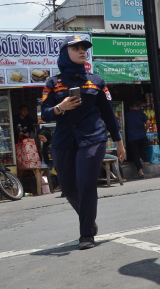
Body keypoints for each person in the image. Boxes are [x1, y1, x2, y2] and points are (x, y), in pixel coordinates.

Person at [40, 36, 125, 250]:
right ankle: (88, 219)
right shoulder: (52, 84)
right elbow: (45, 114)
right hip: (63, 141)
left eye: (84, 48)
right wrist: (61, 107)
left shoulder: (96, 81)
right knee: (68, 188)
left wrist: (119, 141)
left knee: (86, 183)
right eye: (75, 48)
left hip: (93, 138)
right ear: (64, 53)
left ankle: (86, 233)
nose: (82, 51)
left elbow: (108, 114)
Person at [14, 104, 43, 196]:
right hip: (17, 143)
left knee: (29, 162)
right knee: (19, 163)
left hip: (27, 143)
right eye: (23, 110)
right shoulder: (15, 119)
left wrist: (27, 133)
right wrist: (18, 133)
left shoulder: (29, 120)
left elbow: (32, 130)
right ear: (19, 111)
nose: (25, 112)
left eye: (26, 110)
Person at [125, 101, 150, 179]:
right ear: (138, 108)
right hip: (142, 136)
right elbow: (148, 122)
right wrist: (145, 130)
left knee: (135, 154)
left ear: (130, 108)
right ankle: (140, 160)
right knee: (141, 151)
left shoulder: (126, 115)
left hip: (132, 137)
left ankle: (140, 171)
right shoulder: (141, 114)